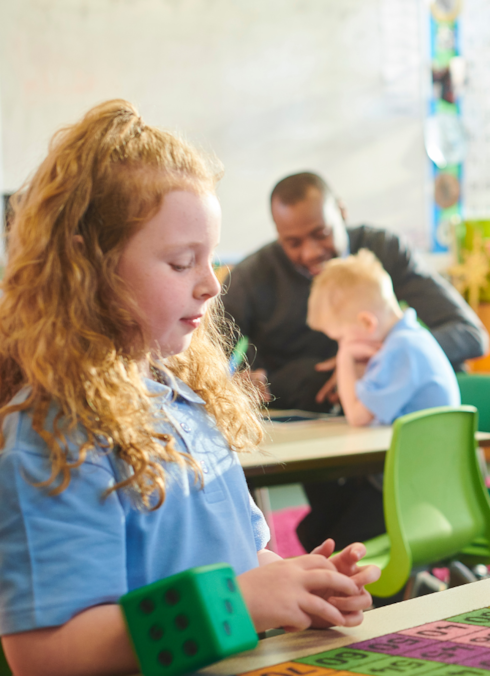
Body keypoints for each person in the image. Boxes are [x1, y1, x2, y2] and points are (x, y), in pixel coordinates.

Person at [0, 101, 381, 676]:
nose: (210, 285)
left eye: (210, 259)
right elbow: (50, 657)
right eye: (182, 263)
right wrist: (244, 602)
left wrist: (296, 585)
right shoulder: (52, 432)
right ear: (89, 268)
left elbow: (240, 562)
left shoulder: (186, 399)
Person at [223, 171, 485, 412]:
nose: (311, 252)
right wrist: (235, 383)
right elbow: (203, 360)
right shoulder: (252, 276)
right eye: (293, 243)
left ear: (342, 212)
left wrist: (374, 362)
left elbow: (469, 335)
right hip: (290, 420)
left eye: (322, 233)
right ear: (278, 235)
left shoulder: (383, 251)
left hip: (385, 420)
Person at [299, 250, 460, 551]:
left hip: (416, 495)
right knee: (315, 527)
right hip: (415, 483)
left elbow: (357, 416)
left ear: (366, 323)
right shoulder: (409, 338)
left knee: (326, 538)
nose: (340, 345)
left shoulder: (401, 350)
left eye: (341, 337)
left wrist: (345, 358)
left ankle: (392, 595)